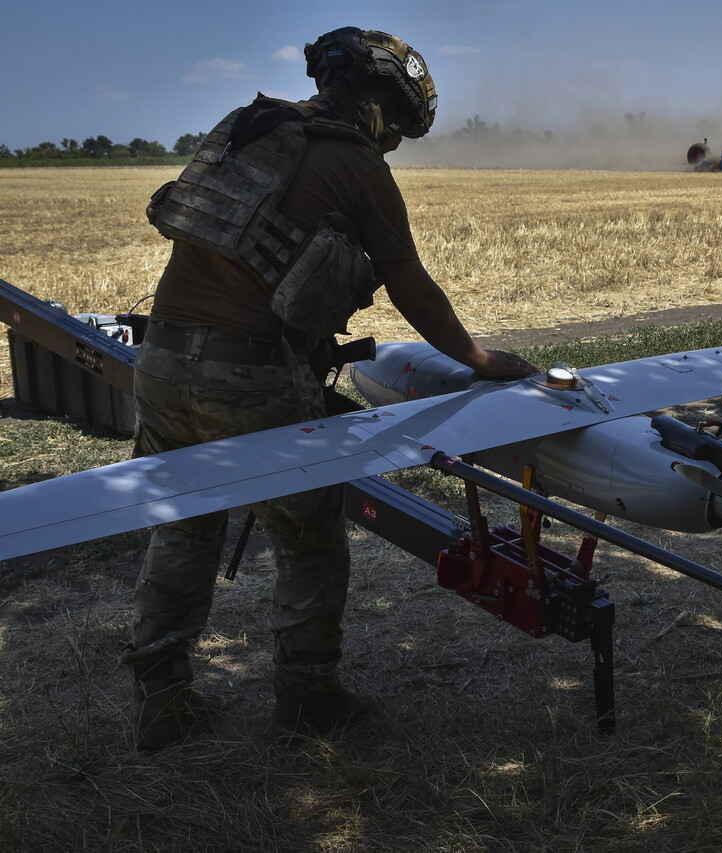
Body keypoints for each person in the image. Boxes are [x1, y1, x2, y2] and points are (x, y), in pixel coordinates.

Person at [122, 27, 537, 750]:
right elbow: (409, 281)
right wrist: (477, 356)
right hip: (249, 373)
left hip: (160, 359)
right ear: (380, 104)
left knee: (183, 526)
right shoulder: (353, 161)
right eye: (398, 128)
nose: (394, 143)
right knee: (309, 537)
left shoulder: (250, 127)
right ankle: (309, 698)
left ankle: (163, 698)